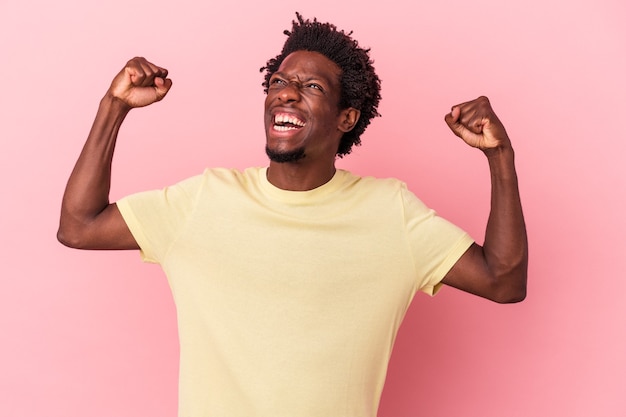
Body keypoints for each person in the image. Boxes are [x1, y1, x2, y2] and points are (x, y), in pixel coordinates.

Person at [58, 13, 527, 417]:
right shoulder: (206, 200)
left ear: (346, 118)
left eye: (312, 87)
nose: (286, 93)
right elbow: (79, 226)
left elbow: (503, 280)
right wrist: (113, 107)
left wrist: (499, 156)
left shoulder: (390, 213)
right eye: (278, 82)